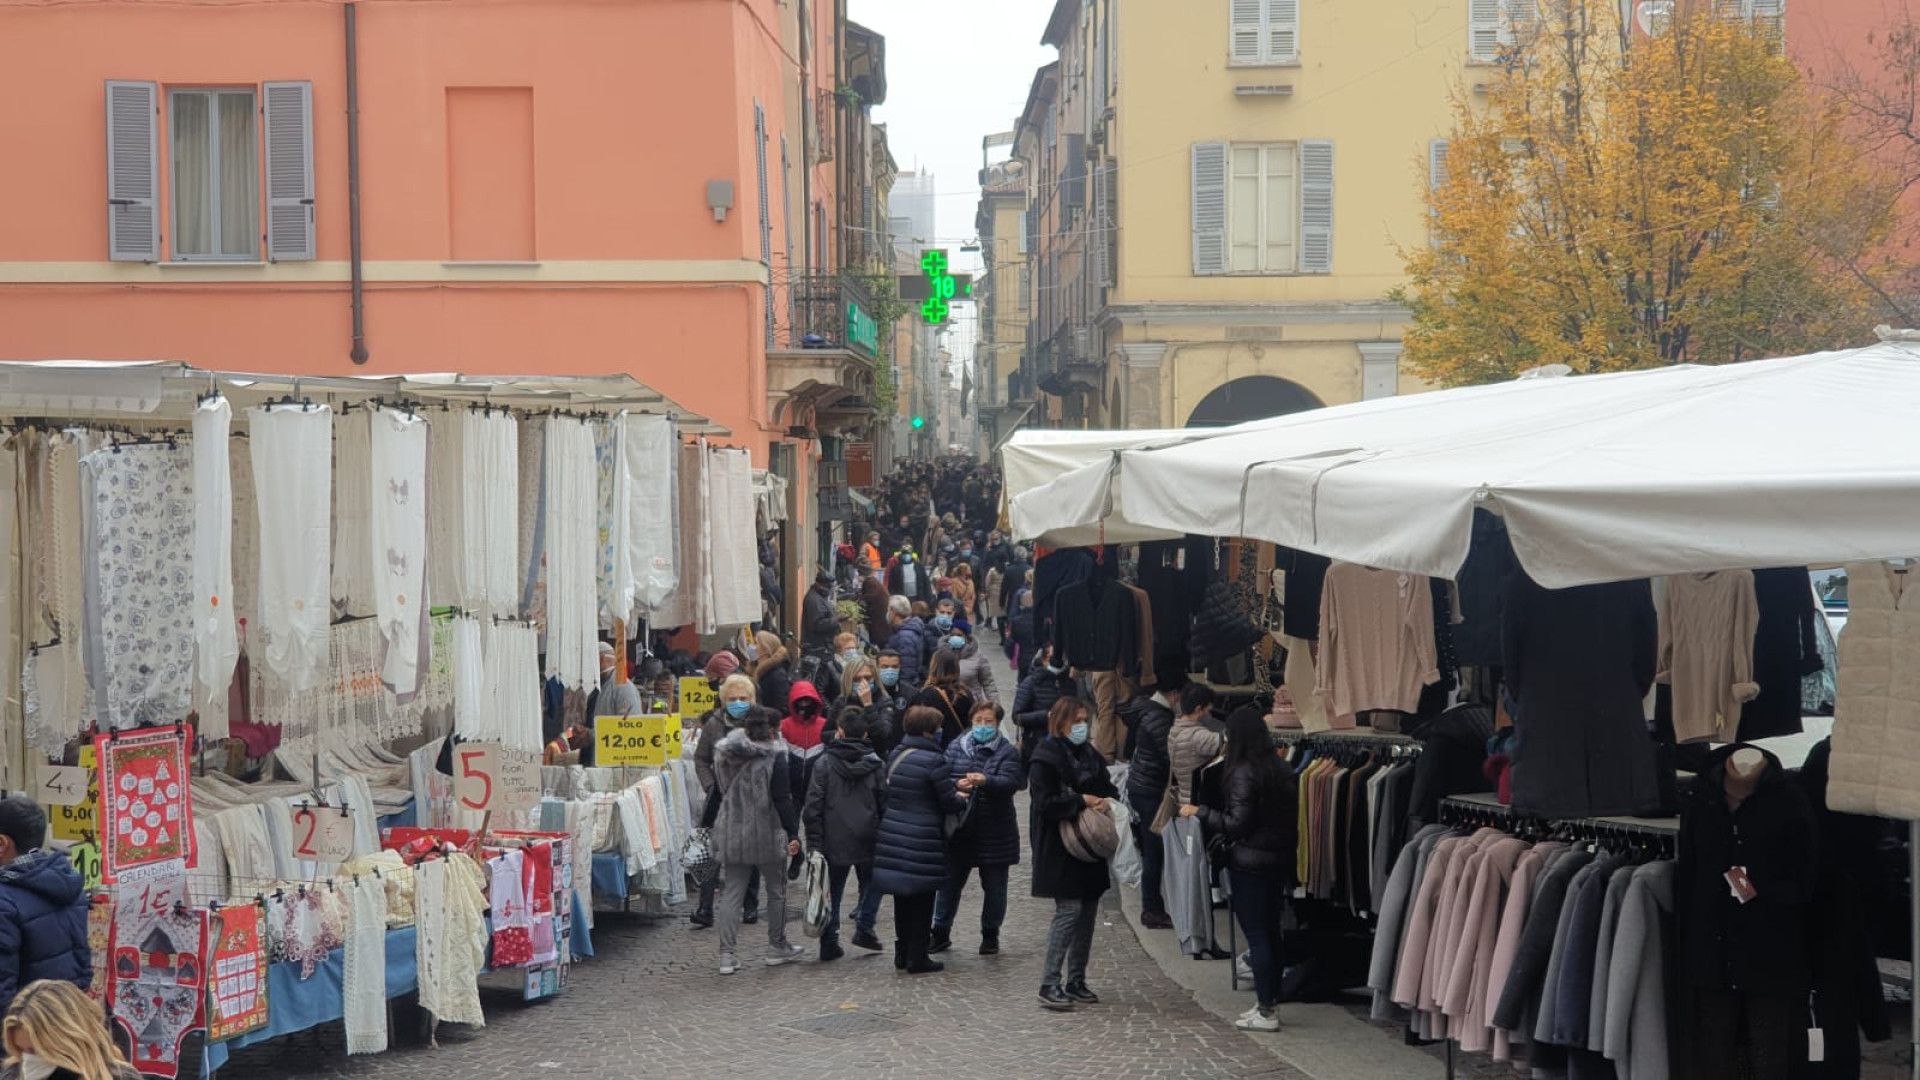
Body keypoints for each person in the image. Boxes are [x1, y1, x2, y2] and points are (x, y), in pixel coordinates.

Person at [1180, 705, 1298, 1032]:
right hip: (1276, 861)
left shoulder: (1244, 772)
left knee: (1258, 935)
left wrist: (1201, 812)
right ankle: (1269, 1002)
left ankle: (1266, 1009)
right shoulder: (1280, 767)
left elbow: (1236, 824)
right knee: (1271, 933)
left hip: (1250, 862)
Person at [1027, 697, 1119, 1012]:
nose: (1081, 726)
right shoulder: (1045, 758)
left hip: (1089, 846)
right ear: (1060, 722)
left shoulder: (1089, 754)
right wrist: (1081, 800)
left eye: (1084, 720)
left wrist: (1104, 801)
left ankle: (1076, 979)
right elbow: (1045, 803)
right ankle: (1049, 982)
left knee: (1088, 913)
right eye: (1076, 720)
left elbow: (1109, 788)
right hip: (1059, 846)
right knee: (1068, 912)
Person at [702, 698, 805, 975]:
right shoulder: (776, 756)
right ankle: (777, 945)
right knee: (776, 890)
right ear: (771, 729)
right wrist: (793, 832)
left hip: (732, 827)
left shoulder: (723, 753)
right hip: (767, 830)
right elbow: (782, 799)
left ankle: (726, 955)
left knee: (732, 892)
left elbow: (719, 792)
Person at [871, 706, 976, 974]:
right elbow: (946, 801)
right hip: (923, 838)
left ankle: (902, 952)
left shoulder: (896, 754)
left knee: (902, 899)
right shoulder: (934, 760)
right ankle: (918, 956)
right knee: (922, 899)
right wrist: (961, 798)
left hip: (894, 833)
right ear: (930, 731)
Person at [932, 702, 1020, 956]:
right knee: (949, 884)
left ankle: (990, 934)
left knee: (995, 887)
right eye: (979, 720)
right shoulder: (957, 746)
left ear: (997, 723)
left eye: (988, 721)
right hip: (961, 829)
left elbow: (1011, 782)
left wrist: (987, 781)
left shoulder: (1007, 752)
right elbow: (942, 776)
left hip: (995, 829)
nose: (983, 725)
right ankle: (940, 931)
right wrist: (956, 785)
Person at [802, 706, 887, 961]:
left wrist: (814, 841)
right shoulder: (876, 764)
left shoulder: (824, 764)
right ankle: (864, 926)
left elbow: (813, 804)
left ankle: (829, 940)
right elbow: (884, 801)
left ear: (839, 731)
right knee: (874, 883)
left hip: (833, 837)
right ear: (864, 734)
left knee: (833, 890)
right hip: (868, 835)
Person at [691, 673, 765, 929]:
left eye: (743, 699)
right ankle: (705, 906)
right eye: (732, 699)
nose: (738, 702)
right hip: (719, 796)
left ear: (751, 700)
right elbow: (700, 758)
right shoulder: (713, 724)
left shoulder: (760, 724)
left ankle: (751, 903)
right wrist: (710, 784)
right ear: (724, 700)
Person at [0, 799, 88, 1011]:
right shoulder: (68, 883)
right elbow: (82, 965)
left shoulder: (5, 899)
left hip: (21, 1033)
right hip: (64, 1022)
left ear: (2, 843)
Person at [1122, 676, 1181, 931]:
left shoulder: (1147, 710)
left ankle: (1153, 906)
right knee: (1153, 850)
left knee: (1152, 848)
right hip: (1150, 789)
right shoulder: (1159, 717)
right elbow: (1169, 755)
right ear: (1174, 693)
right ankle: (1152, 908)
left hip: (1143, 786)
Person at [0, 980, 140, 1080]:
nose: (28, 1059)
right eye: (22, 1050)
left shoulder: (121, 1076)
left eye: (36, 1050)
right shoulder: (12, 1073)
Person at [1012, 644, 1078, 782]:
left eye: (1062, 658)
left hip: (1065, 743)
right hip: (1037, 744)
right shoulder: (1031, 682)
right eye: (1052, 658)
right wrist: (1046, 716)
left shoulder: (1070, 683)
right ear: (1043, 659)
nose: (1058, 662)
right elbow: (1017, 716)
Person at [839, 657, 905, 761]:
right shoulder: (842, 700)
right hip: (843, 758)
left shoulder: (884, 701)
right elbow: (826, 733)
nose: (863, 683)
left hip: (873, 759)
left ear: (874, 678)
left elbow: (883, 735)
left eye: (868, 678)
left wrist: (868, 705)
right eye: (857, 679)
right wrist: (837, 735)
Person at [1166, 684, 1223, 806]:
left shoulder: (1174, 730)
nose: (1210, 715)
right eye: (1208, 710)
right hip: (1197, 802)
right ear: (1198, 710)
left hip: (1183, 798)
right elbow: (1234, 741)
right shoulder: (1199, 737)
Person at [912, 650, 974, 747]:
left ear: (934, 667)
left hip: (935, 746)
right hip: (960, 747)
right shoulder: (964, 692)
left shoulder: (927, 694)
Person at [779, 681, 830, 796]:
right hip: (790, 787)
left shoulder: (825, 725)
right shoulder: (783, 726)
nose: (804, 705)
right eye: (801, 701)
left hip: (819, 787)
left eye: (807, 701)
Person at [947, 618, 999, 708]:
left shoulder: (978, 656)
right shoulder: (943, 655)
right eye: (952, 635)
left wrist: (995, 706)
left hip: (973, 705)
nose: (955, 638)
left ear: (966, 637)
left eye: (959, 635)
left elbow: (988, 683)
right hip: (949, 704)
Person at [883, 597, 931, 686]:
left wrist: (904, 690)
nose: (887, 613)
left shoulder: (904, 637)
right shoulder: (910, 629)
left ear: (893, 611)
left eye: (888, 610)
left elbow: (907, 668)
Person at [751, 630, 793, 713]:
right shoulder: (755, 669)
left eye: (756, 643)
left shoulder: (777, 675)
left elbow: (781, 705)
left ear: (766, 649)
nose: (753, 647)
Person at [802, 570, 840, 652]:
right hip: (818, 646)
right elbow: (818, 625)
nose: (830, 590)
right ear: (821, 585)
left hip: (822, 644)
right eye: (829, 587)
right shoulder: (814, 600)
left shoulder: (819, 596)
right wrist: (837, 619)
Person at [860, 562, 893, 646]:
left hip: (879, 615)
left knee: (880, 637)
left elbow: (870, 597)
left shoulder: (871, 583)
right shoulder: (871, 581)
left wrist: (859, 600)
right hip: (879, 614)